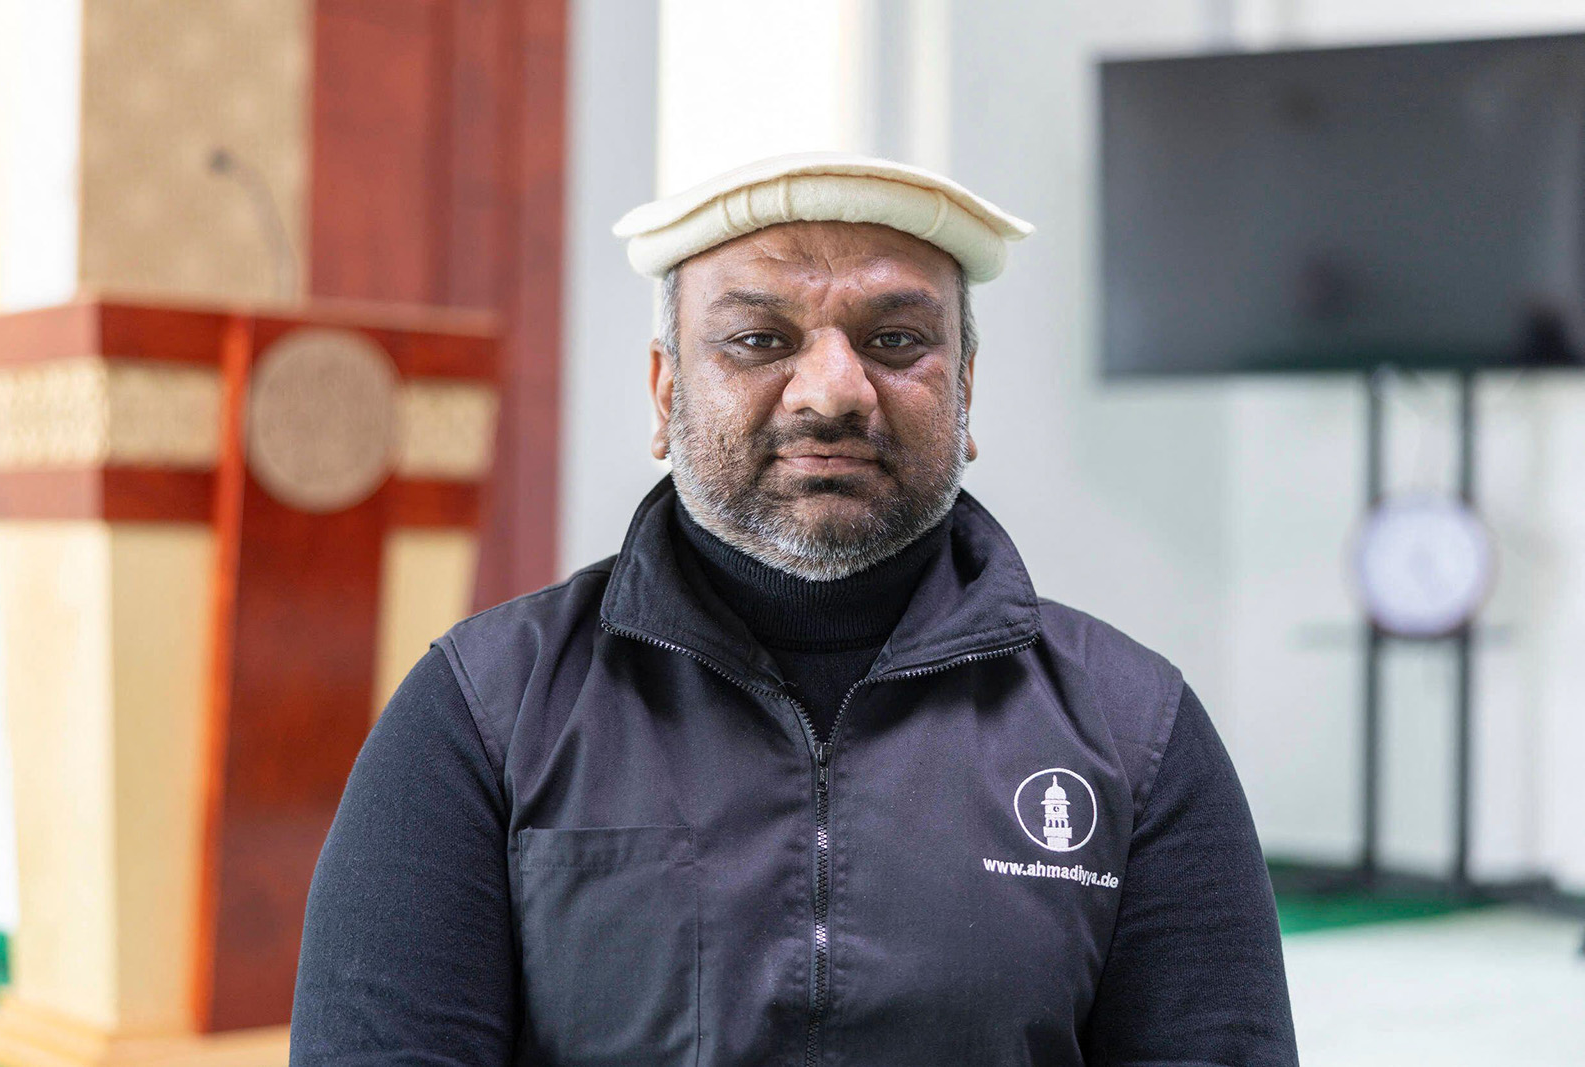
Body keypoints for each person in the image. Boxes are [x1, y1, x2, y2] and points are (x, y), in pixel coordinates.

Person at [289, 152, 1298, 1066]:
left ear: (966, 394)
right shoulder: (486, 708)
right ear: (662, 391)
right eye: (759, 338)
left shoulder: (1133, 727)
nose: (833, 388)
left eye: (896, 339)